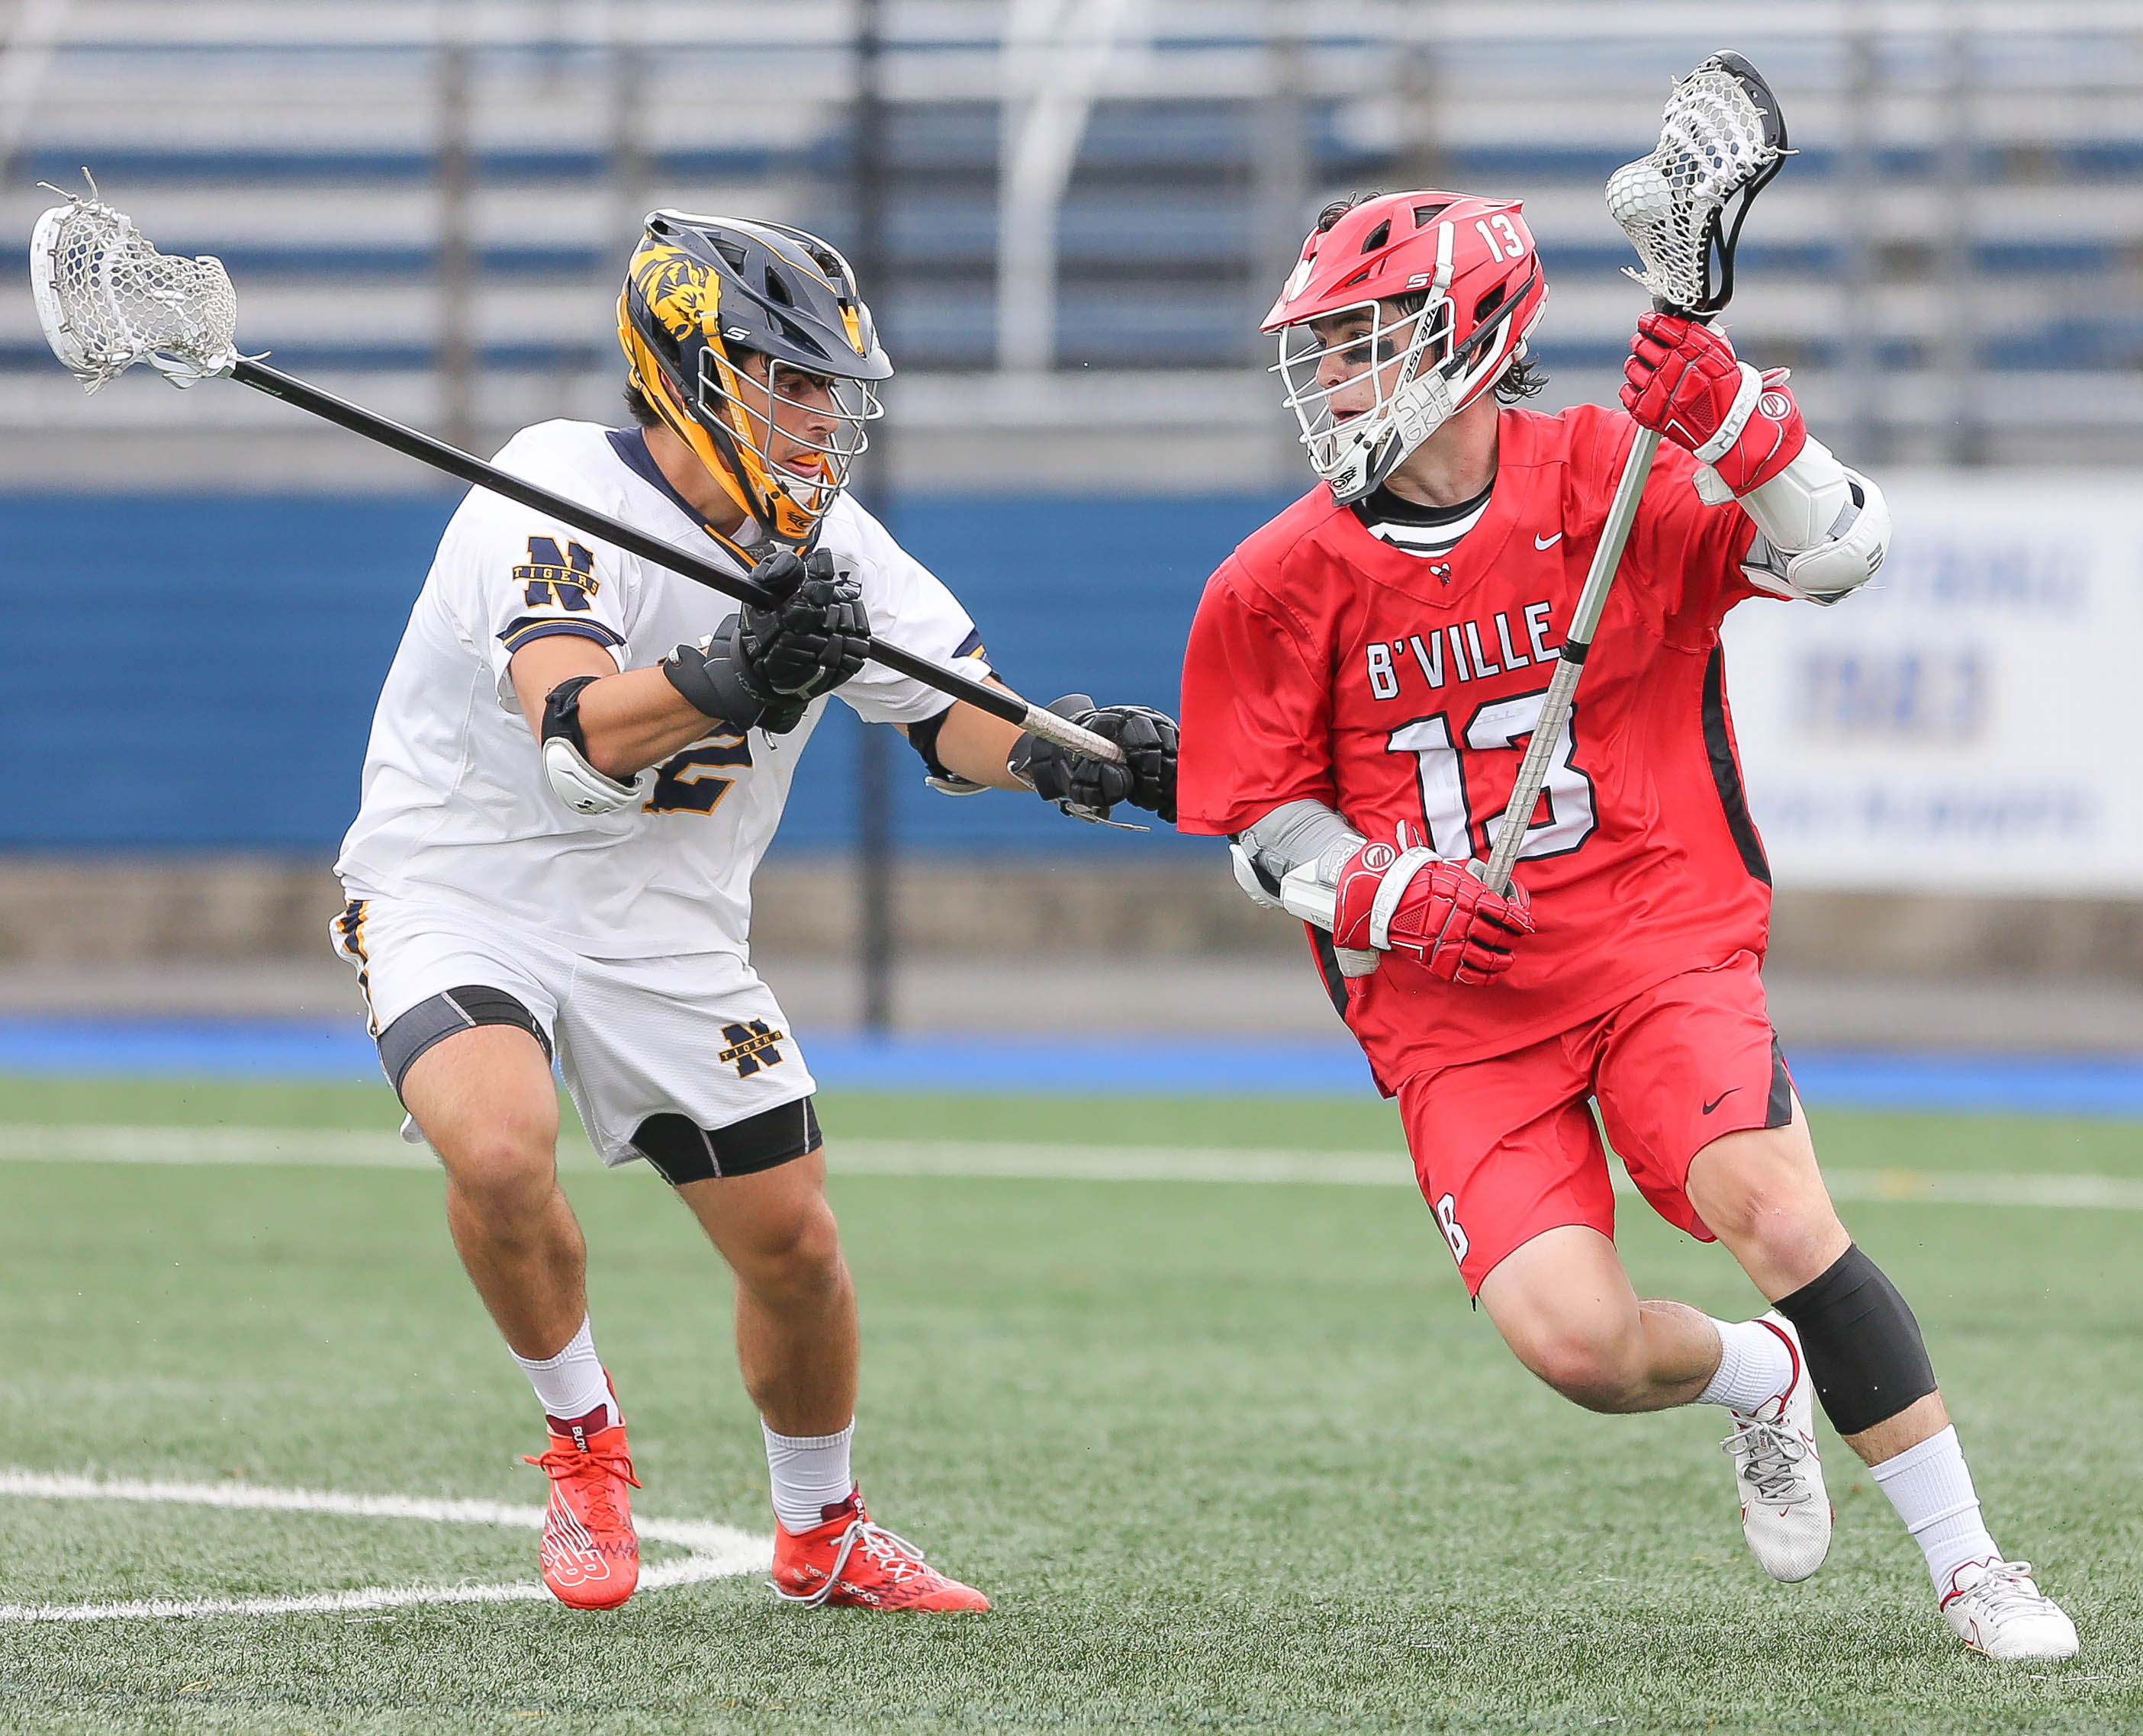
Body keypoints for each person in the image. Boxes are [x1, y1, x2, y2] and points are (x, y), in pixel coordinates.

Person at [1176, 189, 2077, 1662]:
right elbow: (1262, 828)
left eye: (1357, 340)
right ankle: (1755, 1377)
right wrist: (1391, 893)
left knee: (1774, 1207)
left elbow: (1838, 552)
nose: (1329, 375)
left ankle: (1972, 1564)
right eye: (1323, 345)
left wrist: (1741, 429)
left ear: (1464, 336)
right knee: (1577, 1350)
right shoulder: (1273, 580)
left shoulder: (1608, 471)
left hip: (1656, 941)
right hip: (1455, 1007)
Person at [330, 211, 1176, 1614]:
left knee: (793, 1244)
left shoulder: (830, 535)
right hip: (462, 879)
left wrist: (1072, 758)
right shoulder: (549, 485)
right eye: (784, 380)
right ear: (682, 367)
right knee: (494, 1141)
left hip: (665, 926)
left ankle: (822, 1531)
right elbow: (581, 735)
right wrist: (735, 673)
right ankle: (584, 1442)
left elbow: (951, 713)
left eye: (826, 387)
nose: (816, 417)